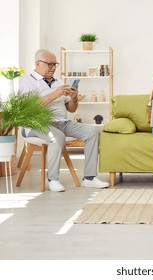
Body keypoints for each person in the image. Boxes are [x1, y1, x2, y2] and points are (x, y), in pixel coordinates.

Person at [19, 49, 109, 192]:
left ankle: (90, 178)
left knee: (92, 131)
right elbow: (30, 107)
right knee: (57, 136)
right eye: (50, 64)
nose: (53, 68)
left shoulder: (58, 82)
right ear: (37, 64)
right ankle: (52, 179)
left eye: (55, 64)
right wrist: (56, 94)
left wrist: (74, 98)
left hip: (62, 122)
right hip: (37, 125)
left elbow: (71, 109)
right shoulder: (28, 82)